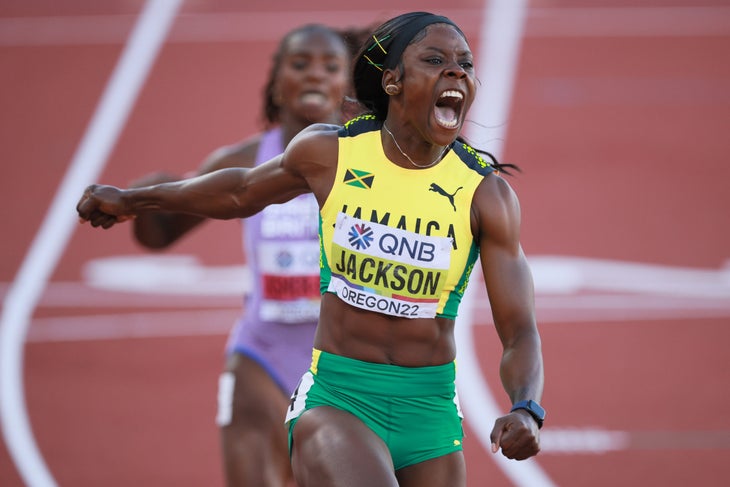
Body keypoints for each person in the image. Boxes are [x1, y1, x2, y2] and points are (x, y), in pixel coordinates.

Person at [77, 12, 545, 487]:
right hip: (338, 397)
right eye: (435, 60)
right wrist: (134, 200)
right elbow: (240, 191)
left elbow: (520, 330)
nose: (457, 72)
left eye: (465, 64)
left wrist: (526, 407)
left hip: (429, 410)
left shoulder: (485, 196)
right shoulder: (333, 154)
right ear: (393, 82)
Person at [127, 24, 360, 487]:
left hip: (346, 362)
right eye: (300, 65)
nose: (315, 75)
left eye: (330, 67)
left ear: (346, 87)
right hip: (263, 354)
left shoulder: (372, 161)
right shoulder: (245, 161)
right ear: (277, 82)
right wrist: (143, 198)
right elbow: (159, 235)